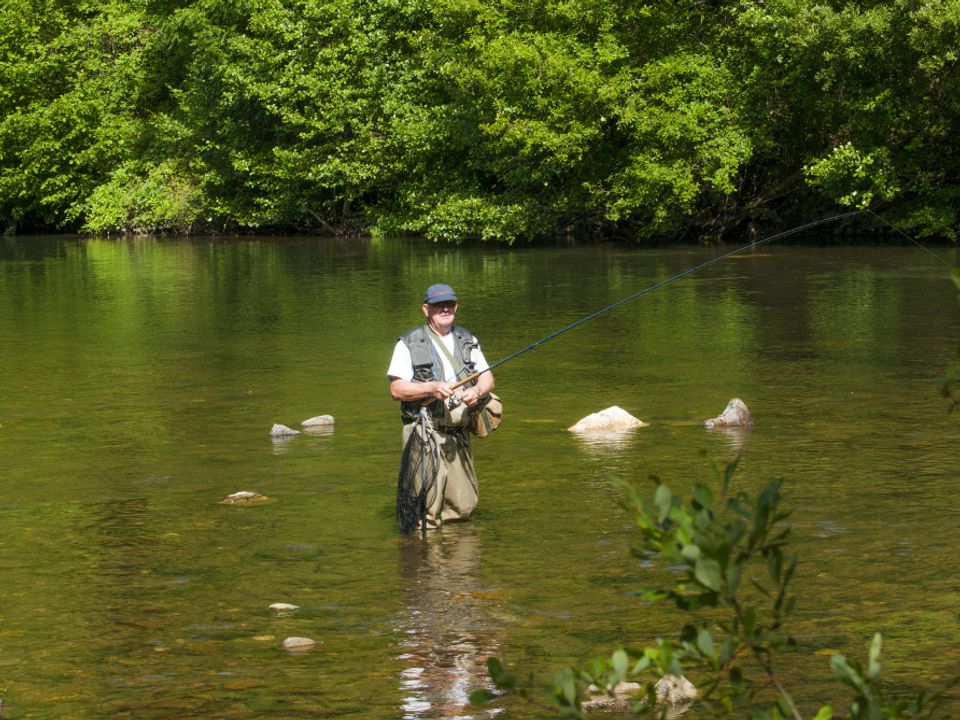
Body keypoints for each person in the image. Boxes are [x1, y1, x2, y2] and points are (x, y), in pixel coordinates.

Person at [387, 283, 495, 529]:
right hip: (424, 434)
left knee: (462, 507)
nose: (445, 309)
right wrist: (431, 387)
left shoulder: (468, 339)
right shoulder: (408, 343)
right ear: (426, 309)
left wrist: (477, 390)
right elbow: (396, 390)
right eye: (438, 305)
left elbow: (487, 377)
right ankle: (424, 561)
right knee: (425, 511)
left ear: (456, 306)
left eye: (449, 304)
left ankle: (459, 562)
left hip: (458, 435)